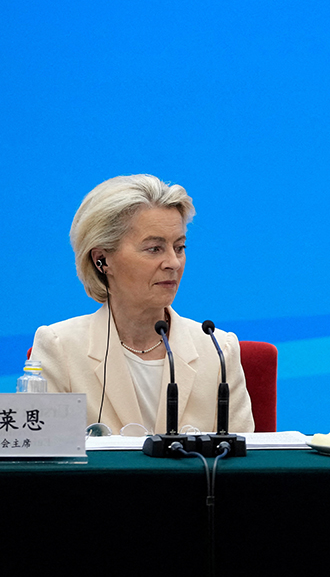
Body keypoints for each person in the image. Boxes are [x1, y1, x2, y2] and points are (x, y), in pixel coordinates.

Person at [31, 174, 255, 434]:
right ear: (102, 260)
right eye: (154, 248)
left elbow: (245, 456)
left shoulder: (218, 350)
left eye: (179, 247)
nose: (173, 262)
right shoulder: (60, 348)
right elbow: (40, 454)